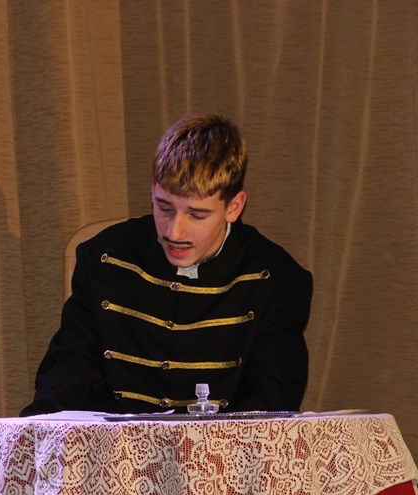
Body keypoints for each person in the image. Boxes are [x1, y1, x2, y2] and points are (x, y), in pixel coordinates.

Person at [20, 113, 312, 416]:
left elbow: (272, 406)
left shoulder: (276, 278)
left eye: (197, 215)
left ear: (234, 207)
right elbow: (67, 379)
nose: (175, 232)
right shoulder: (105, 258)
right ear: (152, 190)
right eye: (165, 207)